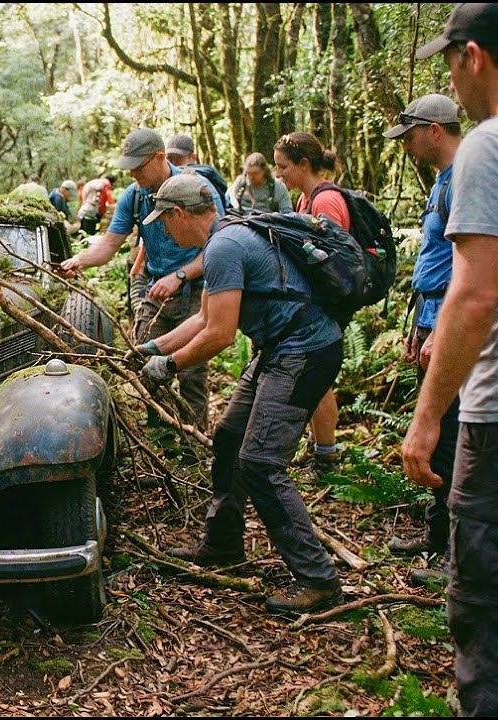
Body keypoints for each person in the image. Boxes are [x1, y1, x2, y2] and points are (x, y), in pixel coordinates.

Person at [404, 4, 498, 716]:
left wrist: (427, 418)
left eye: (451, 61)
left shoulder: (494, 146)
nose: (452, 78)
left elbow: (474, 297)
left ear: (475, 57)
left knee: (494, 604)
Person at [138, 174, 344, 613]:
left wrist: (170, 366)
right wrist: (156, 347)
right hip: (282, 347)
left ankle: (318, 580)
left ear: (178, 215)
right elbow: (205, 318)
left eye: (165, 222)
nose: (165, 231)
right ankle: (225, 543)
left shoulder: (224, 247)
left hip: (304, 350)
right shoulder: (226, 237)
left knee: (261, 463)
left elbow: (220, 335)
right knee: (230, 439)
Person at [61, 128, 225, 429]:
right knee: (145, 364)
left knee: (191, 373)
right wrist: (79, 261)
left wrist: (180, 275)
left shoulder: (196, 189)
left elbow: (218, 244)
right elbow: (110, 243)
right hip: (155, 291)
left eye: (139, 166)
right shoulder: (134, 197)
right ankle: (161, 438)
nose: (133, 174)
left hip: (195, 290)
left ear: (160, 157)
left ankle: (193, 445)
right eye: (130, 168)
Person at [381, 93, 464, 586]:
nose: (407, 146)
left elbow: (470, 266)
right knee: (444, 434)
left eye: (410, 136)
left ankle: (458, 557)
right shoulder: (440, 182)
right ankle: (437, 537)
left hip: (449, 320)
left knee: (452, 434)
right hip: (432, 313)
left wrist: (446, 331)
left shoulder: (468, 179)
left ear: (434, 129)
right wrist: (423, 326)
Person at [273, 131, 347, 471]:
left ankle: (327, 453)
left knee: (320, 378)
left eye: (283, 166)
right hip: (313, 301)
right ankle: (321, 447)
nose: (279, 174)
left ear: (304, 164)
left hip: (327, 302)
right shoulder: (305, 200)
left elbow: (332, 256)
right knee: (317, 378)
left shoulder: (325, 201)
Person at [167, 132, 231, 199]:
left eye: (179, 158)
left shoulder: (203, 179)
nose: (173, 162)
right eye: (169, 158)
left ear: (193, 158)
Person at [226, 152, 294, 214]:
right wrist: (237, 206)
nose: (251, 177)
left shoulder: (278, 187)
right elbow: (230, 197)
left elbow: (287, 212)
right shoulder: (241, 182)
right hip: (242, 221)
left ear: (264, 171)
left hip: (268, 223)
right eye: (249, 173)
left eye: (255, 173)